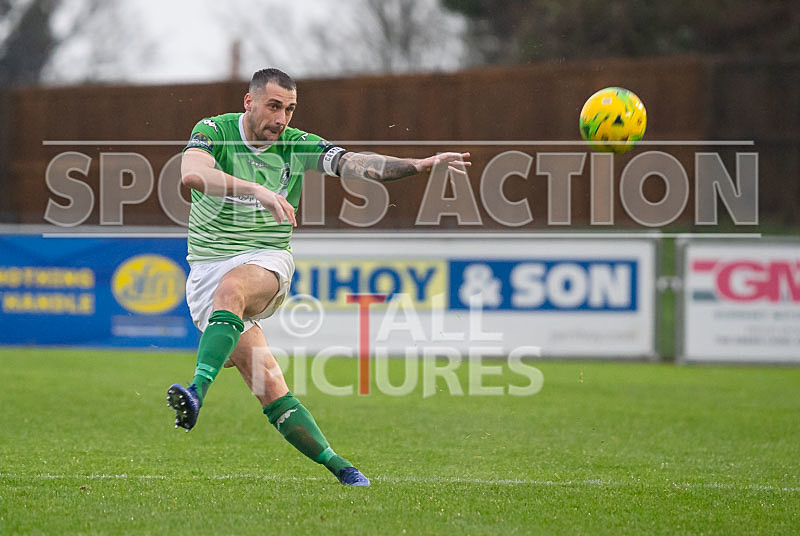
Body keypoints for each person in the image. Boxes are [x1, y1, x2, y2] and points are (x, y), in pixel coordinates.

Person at [166, 68, 470, 487]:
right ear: (249, 102)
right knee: (270, 387)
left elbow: (354, 163)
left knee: (234, 287)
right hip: (206, 273)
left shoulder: (297, 144)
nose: (282, 118)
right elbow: (192, 174)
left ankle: (196, 391)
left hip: (267, 261)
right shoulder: (213, 130)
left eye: (289, 109)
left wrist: (416, 165)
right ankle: (341, 467)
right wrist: (256, 190)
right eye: (274, 106)